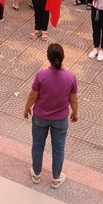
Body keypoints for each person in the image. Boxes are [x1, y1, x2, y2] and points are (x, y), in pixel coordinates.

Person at [24, 43, 78, 189]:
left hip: (40, 117)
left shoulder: (41, 75)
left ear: (48, 58)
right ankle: (55, 178)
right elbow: (73, 99)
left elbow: (33, 95)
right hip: (60, 119)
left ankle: (36, 174)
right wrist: (75, 113)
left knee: (37, 145)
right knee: (58, 148)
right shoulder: (71, 77)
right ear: (63, 58)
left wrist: (27, 108)